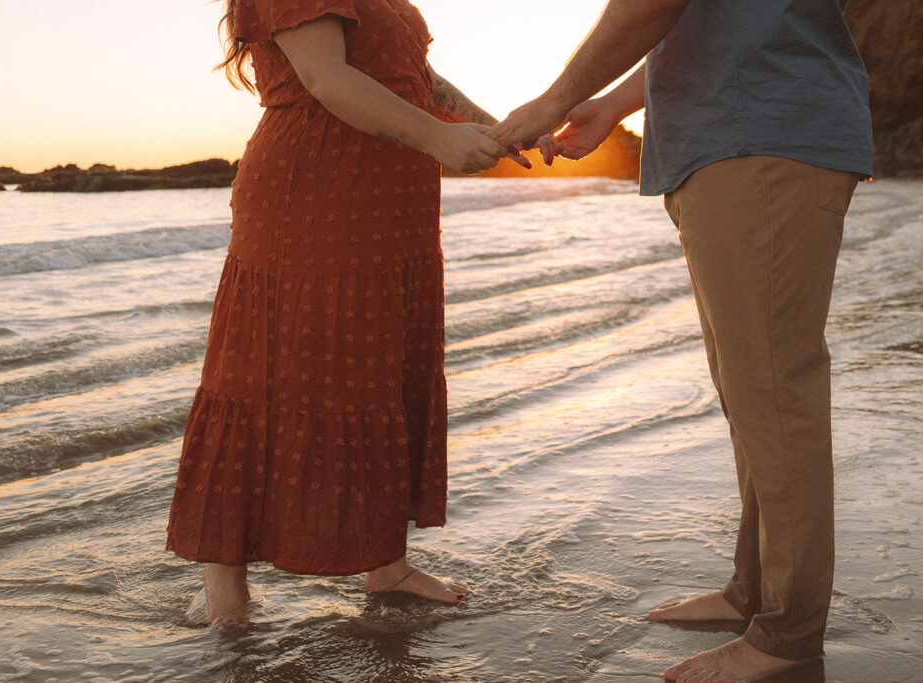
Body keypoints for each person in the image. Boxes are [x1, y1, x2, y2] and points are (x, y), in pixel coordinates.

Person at [491, 0, 872, 680]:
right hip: (732, 133)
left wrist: (557, 97)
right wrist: (610, 106)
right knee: (750, 389)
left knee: (774, 390)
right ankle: (753, 591)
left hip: (759, 131)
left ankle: (788, 635)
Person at [165, 0, 545, 626]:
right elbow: (327, 77)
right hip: (316, 194)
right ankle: (223, 589)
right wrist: (439, 137)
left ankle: (385, 561)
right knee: (262, 374)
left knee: (382, 370)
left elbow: (419, 81)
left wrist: (499, 128)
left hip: (390, 208)